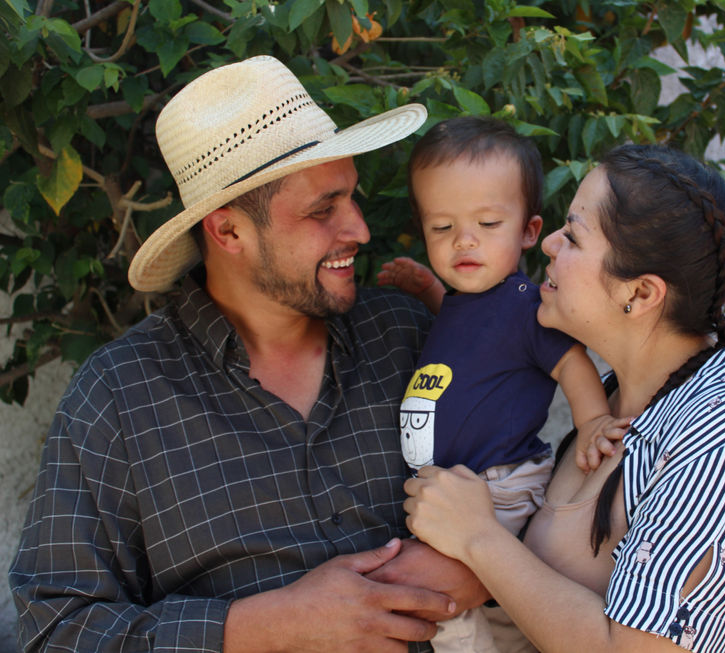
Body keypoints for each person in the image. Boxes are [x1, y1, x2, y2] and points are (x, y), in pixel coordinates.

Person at [8, 55, 490, 652]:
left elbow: (524, 477)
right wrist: (265, 626)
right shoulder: (119, 396)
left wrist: (486, 566)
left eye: (351, 198)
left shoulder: (407, 334)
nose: (360, 230)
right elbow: (54, 630)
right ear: (228, 231)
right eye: (323, 209)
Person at [403, 144, 725, 652]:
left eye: (573, 236)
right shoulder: (615, 402)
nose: (548, 242)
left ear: (638, 293)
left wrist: (477, 536)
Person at [378, 117, 628, 652]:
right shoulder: (463, 303)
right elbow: (470, 344)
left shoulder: (524, 305)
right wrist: (429, 292)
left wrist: (592, 421)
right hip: (458, 488)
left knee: (435, 595)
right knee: (491, 610)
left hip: (499, 484)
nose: (464, 239)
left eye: (488, 222)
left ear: (530, 231)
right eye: (441, 228)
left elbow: (570, 362)